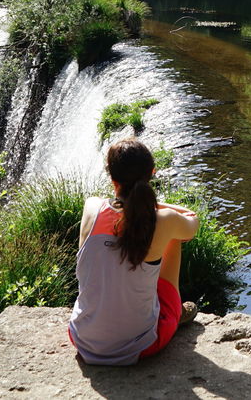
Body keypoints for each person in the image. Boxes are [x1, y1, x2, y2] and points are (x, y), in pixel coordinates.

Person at [69, 138, 200, 364]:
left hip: (82, 339)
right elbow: (191, 223)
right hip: (143, 346)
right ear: (152, 172)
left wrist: (136, 204)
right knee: (174, 237)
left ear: (111, 177)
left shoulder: (92, 207)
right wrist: (150, 206)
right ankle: (175, 311)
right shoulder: (163, 220)